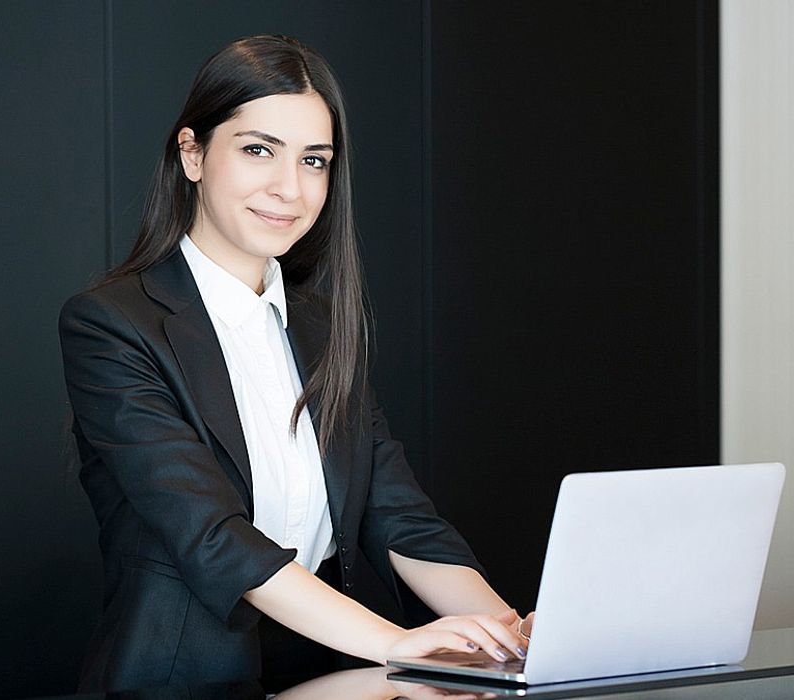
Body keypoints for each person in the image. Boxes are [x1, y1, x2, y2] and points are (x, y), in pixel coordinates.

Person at [58, 34, 531, 693]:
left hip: (329, 673)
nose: (289, 188)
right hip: (180, 681)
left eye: (314, 161)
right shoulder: (111, 324)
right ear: (191, 154)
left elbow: (400, 519)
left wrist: (508, 633)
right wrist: (397, 643)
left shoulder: (320, 325)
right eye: (258, 150)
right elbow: (213, 536)